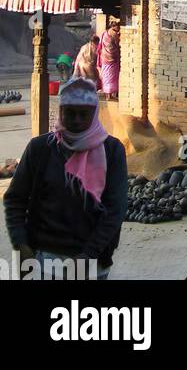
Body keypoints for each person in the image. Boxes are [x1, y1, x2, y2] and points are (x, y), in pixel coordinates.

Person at [3, 77, 127, 280]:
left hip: (91, 263)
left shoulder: (111, 151)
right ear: (60, 112)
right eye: (70, 113)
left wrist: (89, 254)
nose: (76, 120)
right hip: (45, 258)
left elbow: (115, 209)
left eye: (83, 114)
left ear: (94, 114)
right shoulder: (40, 149)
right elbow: (15, 198)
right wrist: (21, 243)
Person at [96, 18, 120, 98]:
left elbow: (101, 45)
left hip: (104, 57)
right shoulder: (114, 33)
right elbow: (117, 43)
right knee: (113, 77)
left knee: (106, 76)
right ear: (115, 26)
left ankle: (107, 95)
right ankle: (112, 94)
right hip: (113, 58)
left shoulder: (104, 33)